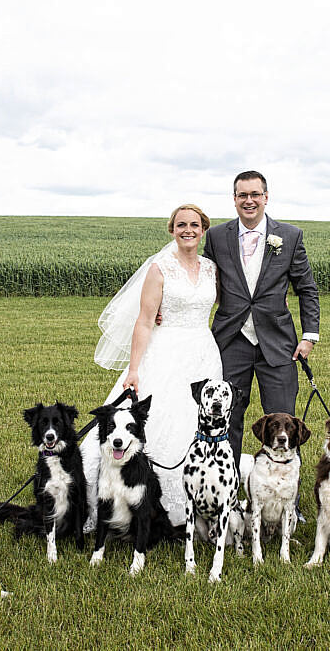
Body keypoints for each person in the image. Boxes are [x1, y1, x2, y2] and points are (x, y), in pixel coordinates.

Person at [85, 204, 222, 528]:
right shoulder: (160, 268)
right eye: (180, 225)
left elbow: (228, 304)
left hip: (203, 353)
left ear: (203, 230)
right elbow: (145, 321)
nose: (187, 230)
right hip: (165, 352)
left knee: (196, 422)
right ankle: (138, 502)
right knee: (159, 418)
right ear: (172, 230)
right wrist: (133, 369)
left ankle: (197, 503)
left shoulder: (211, 269)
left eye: (194, 225)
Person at [202, 170, 320, 471]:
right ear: (234, 199)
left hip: (278, 343)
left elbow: (306, 287)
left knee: (283, 423)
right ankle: (226, 496)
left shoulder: (290, 236)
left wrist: (309, 336)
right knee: (227, 418)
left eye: (255, 194)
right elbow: (202, 280)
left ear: (266, 197)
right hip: (230, 341)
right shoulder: (216, 237)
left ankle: (285, 502)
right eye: (243, 195)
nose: (249, 200)